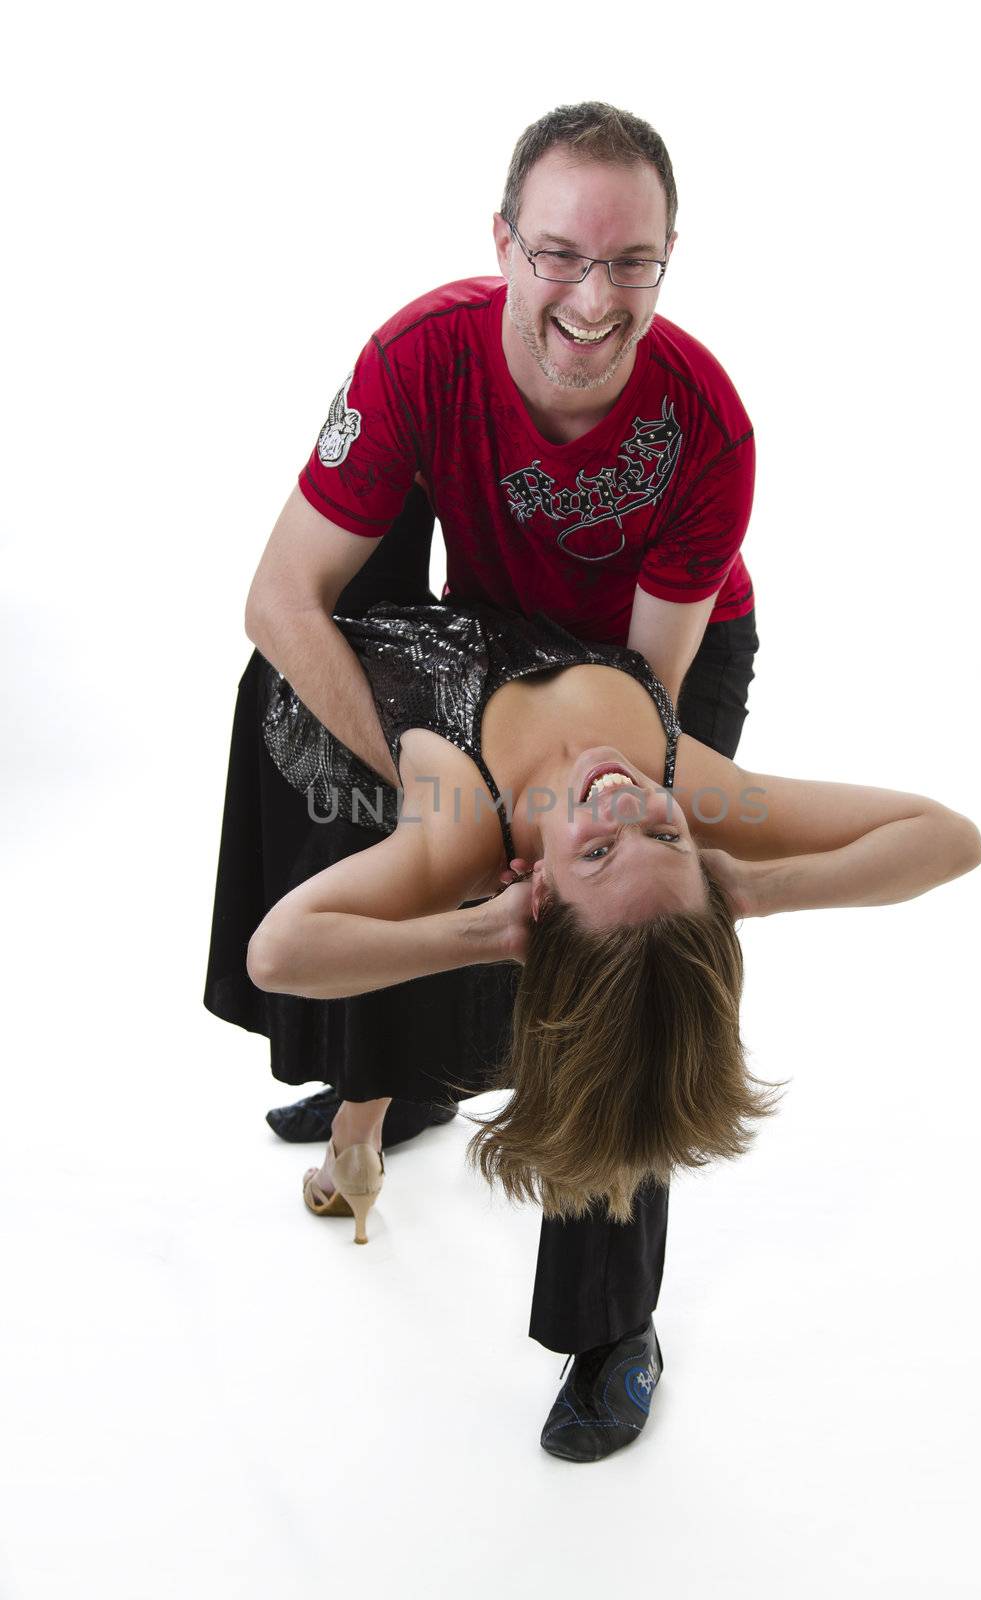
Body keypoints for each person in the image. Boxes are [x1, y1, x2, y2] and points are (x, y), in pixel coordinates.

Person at [206, 99, 761, 1460]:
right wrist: (426, 784)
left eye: (631, 261)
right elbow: (281, 600)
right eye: (560, 253)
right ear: (502, 243)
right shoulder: (420, 355)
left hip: (652, 673)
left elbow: (635, 705)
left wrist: (553, 821)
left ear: (666, 262)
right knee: (342, 655)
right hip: (489, 638)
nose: (591, 294)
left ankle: (607, 1326)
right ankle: (399, 1065)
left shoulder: (705, 429)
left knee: (612, 949)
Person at [244, 593, 981, 1459]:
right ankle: (383, 1101)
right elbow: (948, 839)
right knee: (601, 957)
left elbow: (285, 951)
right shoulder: (675, 798)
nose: (627, 809)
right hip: (525, 611)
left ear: (534, 890)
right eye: (661, 842)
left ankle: (611, 1330)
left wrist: (488, 927)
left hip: (649, 620)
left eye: (598, 850)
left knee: (620, 1033)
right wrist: (733, 885)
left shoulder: (482, 828)